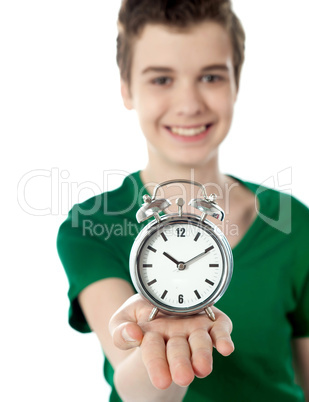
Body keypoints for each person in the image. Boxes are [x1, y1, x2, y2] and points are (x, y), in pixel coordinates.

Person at [57, 0, 309, 401]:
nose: (190, 104)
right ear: (126, 88)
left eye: (210, 76)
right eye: (161, 79)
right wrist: (160, 337)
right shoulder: (90, 226)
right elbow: (135, 385)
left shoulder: (293, 222)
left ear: (236, 82)